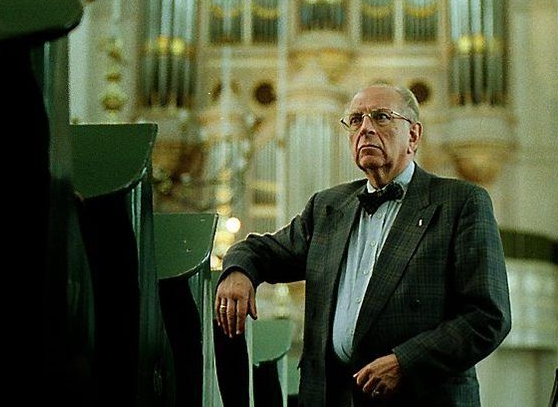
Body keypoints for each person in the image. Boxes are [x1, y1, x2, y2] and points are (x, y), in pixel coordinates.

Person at [215, 84, 511, 406]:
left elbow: (488, 317)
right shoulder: (328, 207)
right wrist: (238, 270)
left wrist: (405, 362)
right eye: (355, 120)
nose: (366, 128)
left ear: (413, 136)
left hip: (419, 397)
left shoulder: (460, 203)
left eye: (381, 117)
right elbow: (263, 250)